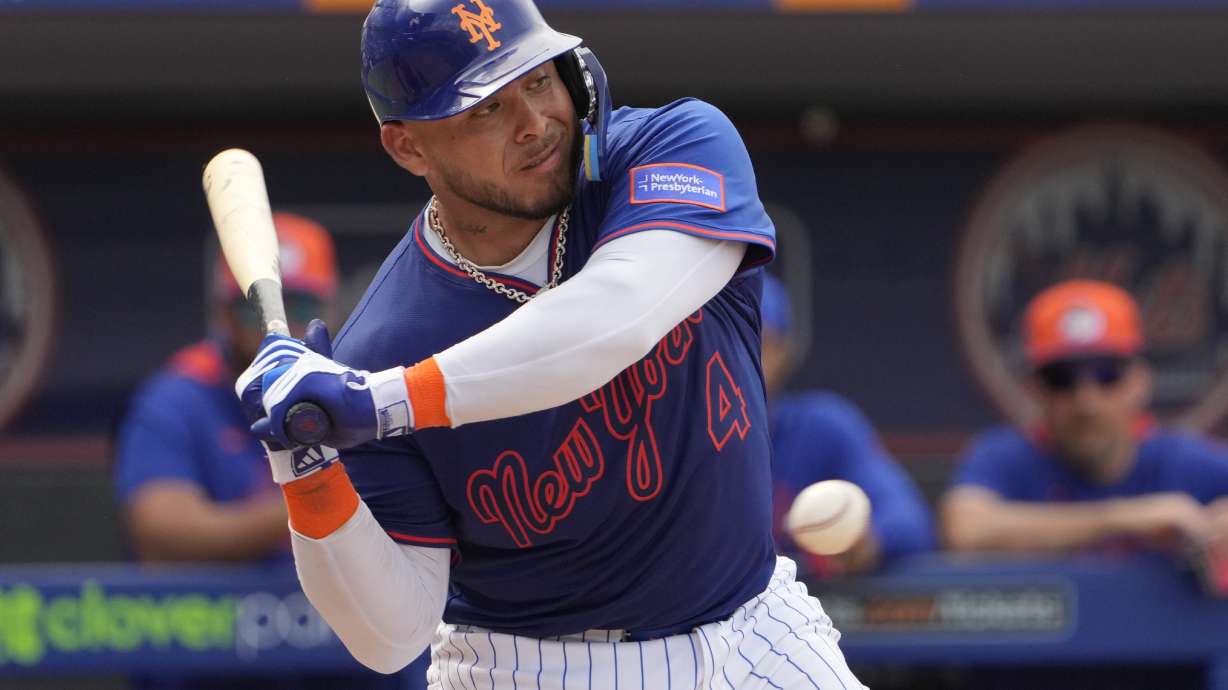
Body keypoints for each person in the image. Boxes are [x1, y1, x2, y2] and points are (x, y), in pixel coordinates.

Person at [230, 1, 869, 688]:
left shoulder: (671, 147)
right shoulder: (386, 341)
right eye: (485, 109)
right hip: (539, 665)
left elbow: (616, 317)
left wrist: (385, 399)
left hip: (757, 626)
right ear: (408, 146)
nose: (534, 124)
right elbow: (390, 636)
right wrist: (305, 462)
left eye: (538, 80)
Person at [113, 213, 424, 690]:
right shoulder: (181, 394)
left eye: (297, 303)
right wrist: (315, 497)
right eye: (251, 309)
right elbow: (162, 529)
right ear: (221, 311)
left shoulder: (358, 390)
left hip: (337, 643)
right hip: (219, 644)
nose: (275, 324)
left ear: (328, 307)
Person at [941, 279, 1228, 556]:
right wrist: (1124, 518)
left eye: (1107, 375)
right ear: (1035, 389)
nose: (1086, 401)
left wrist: (1217, 525)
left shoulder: (1178, 458)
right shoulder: (1006, 456)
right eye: (1062, 379)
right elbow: (964, 531)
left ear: (1139, 382)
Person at [761, 274, 935, 576]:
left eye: (757, 344)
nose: (739, 362)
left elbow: (908, 519)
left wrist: (862, 540)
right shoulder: (672, 436)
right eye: (725, 346)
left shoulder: (819, 427)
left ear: (783, 352)